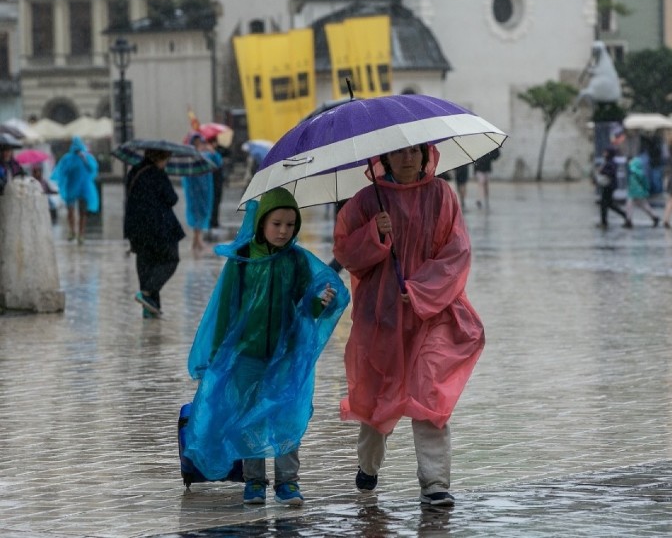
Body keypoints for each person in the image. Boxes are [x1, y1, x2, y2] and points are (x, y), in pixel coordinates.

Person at [332, 143, 485, 507]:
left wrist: (421, 290)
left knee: (428, 395)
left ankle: (435, 483)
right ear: (384, 157)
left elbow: (457, 251)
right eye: (399, 152)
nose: (407, 158)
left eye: (414, 151)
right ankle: (368, 465)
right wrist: (374, 234)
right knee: (377, 398)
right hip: (380, 317)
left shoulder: (441, 196)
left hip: (432, 314)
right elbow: (345, 252)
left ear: (425, 154)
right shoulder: (366, 201)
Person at [184, 187, 348, 506]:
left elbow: (306, 309)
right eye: (277, 223)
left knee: (286, 414)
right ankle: (255, 481)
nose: (284, 231)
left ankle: (288, 482)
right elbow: (226, 309)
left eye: (290, 224)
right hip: (246, 356)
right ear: (261, 223)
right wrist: (218, 357)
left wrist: (321, 303)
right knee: (249, 417)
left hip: (286, 355)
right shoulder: (243, 259)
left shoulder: (298, 261)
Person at [124, 148, 186, 318]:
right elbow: (172, 198)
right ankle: (147, 293)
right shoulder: (158, 174)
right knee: (170, 260)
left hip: (136, 228)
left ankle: (150, 308)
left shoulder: (134, 172)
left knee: (147, 264)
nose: (166, 162)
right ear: (159, 158)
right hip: (159, 227)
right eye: (166, 159)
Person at [51, 136, 99, 244]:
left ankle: (81, 234)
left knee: (82, 212)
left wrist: (85, 159)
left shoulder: (87, 157)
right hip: (72, 187)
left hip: (84, 188)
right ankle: (72, 231)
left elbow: (93, 168)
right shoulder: (68, 158)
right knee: (70, 211)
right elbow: (62, 171)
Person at [183, 134, 219, 252]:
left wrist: (212, 151)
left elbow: (218, 163)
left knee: (203, 211)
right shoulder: (190, 155)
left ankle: (197, 239)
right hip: (193, 189)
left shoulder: (207, 154)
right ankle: (197, 239)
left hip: (205, 188)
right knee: (195, 211)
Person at [596, 147, 629, 229]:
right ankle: (623, 215)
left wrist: (602, 171)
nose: (604, 153)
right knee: (608, 204)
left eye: (605, 152)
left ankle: (604, 222)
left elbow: (612, 172)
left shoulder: (611, 162)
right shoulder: (608, 161)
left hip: (609, 185)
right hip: (607, 185)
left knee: (604, 204)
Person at [624, 154, 660, 228]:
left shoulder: (633, 170)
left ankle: (629, 220)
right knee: (644, 205)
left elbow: (641, 182)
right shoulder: (640, 171)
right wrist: (645, 189)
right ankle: (654, 217)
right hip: (639, 192)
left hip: (634, 192)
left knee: (629, 205)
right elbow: (644, 182)